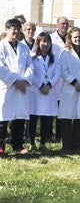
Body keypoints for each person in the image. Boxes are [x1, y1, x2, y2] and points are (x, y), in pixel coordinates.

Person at [0, 19, 34, 154]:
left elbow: (30, 66)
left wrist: (25, 80)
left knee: (19, 118)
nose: (14, 31)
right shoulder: (1, 46)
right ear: (6, 29)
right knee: (3, 118)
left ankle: (18, 145)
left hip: (22, 87)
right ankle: (1, 145)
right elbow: (1, 67)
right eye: (12, 28)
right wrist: (15, 81)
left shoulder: (24, 48)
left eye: (17, 28)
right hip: (6, 87)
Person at [58, 27, 80, 151]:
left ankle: (78, 145)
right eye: (75, 37)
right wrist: (74, 83)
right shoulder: (65, 52)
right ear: (70, 38)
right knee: (67, 118)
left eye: (79, 37)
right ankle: (67, 145)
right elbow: (63, 70)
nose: (77, 39)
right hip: (69, 88)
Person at [29, 32, 61, 151]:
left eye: (48, 41)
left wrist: (49, 85)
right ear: (38, 43)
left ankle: (42, 143)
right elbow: (31, 73)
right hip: (36, 91)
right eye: (43, 41)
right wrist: (41, 85)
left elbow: (58, 73)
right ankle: (32, 143)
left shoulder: (54, 57)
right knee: (33, 119)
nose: (46, 44)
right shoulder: (32, 57)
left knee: (46, 119)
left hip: (49, 91)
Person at [50, 16, 70, 141]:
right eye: (62, 23)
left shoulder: (70, 38)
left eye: (66, 24)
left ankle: (60, 134)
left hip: (66, 78)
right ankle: (48, 134)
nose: (64, 26)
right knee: (51, 108)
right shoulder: (51, 39)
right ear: (57, 25)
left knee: (62, 108)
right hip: (54, 77)